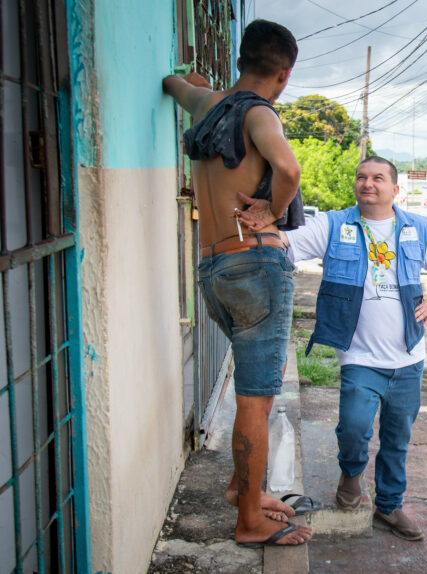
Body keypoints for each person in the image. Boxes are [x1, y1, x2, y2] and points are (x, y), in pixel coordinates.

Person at [239, 156, 427, 541]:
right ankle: (351, 478)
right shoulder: (335, 225)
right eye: (361, 177)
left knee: (396, 436)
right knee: (354, 429)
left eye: (377, 178)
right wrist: (266, 221)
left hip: (409, 356)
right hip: (359, 356)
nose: (367, 183)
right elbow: (287, 241)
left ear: (394, 189)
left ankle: (389, 506)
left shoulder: (416, 228)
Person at [162, 19, 312, 547]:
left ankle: (240, 489)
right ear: (284, 74)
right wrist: (270, 211)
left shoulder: (206, 104)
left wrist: (197, 81)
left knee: (252, 384)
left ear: (242, 59)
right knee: (256, 399)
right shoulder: (257, 112)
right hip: (256, 267)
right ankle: (248, 521)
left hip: (213, 269)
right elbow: (287, 168)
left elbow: (173, 85)